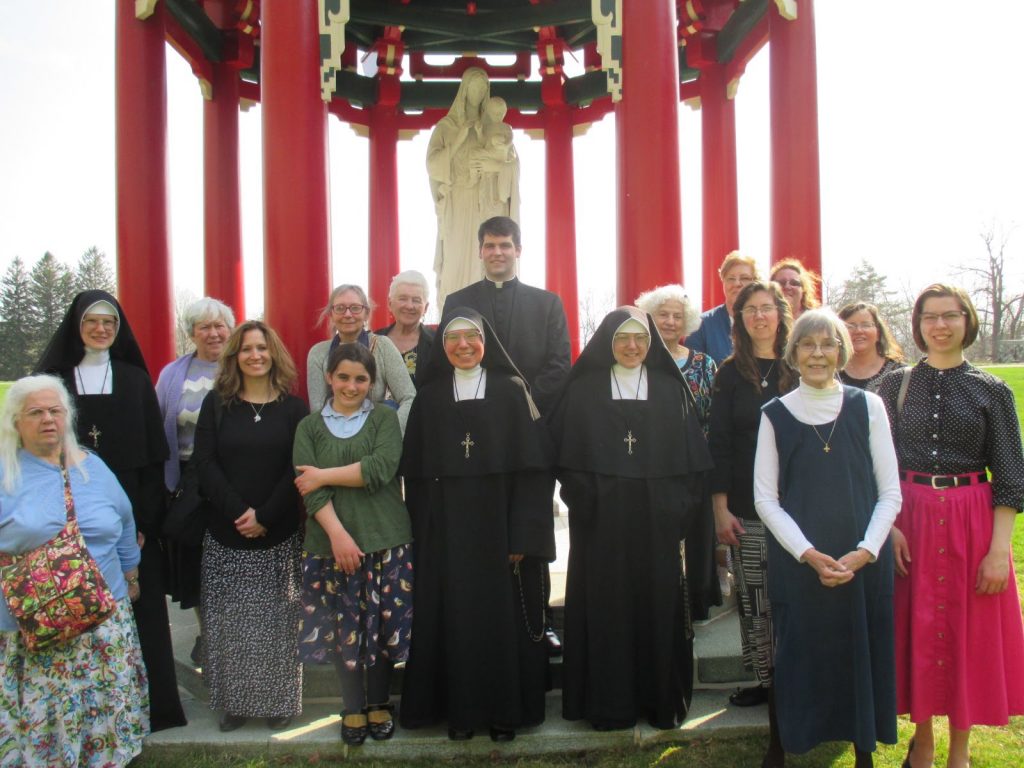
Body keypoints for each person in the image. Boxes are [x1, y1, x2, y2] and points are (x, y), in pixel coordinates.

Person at [874, 284, 1024, 768]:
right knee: (916, 626)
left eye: (949, 315)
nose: (939, 325)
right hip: (909, 520)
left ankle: (959, 752)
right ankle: (922, 745)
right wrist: (891, 526)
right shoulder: (893, 386)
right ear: (917, 325)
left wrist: (1000, 551)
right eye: (929, 317)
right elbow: (877, 465)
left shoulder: (991, 391)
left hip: (971, 521)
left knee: (964, 631)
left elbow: (1011, 476)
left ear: (966, 320)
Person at [550, 306, 712, 731]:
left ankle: (658, 702)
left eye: (640, 338)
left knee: (657, 608)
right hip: (600, 524)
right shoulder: (584, 389)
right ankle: (608, 705)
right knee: (605, 611)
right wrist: (588, 501)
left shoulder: (668, 388)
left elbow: (691, 464)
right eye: (622, 338)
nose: (632, 346)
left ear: (651, 342)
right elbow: (566, 458)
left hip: (656, 525)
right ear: (608, 341)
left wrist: (674, 509)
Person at [754, 309, 901, 768]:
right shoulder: (774, 414)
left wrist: (864, 552)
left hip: (861, 561)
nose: (818, 353)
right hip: (801, 562)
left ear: (842, 350)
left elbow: (890, 491)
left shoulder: (868, 406)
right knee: (798, 654)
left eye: (828, 344)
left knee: (859, 652)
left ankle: (862, 749)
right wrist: (809, 555)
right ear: (793, 353)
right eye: (807, 344)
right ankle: (786, 742)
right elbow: (765, 499)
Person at [399, 308, 554, 742]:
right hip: (446, 532)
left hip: (502, 531)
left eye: (472, 337)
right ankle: (459, 714)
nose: (463, 345)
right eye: (453, 338)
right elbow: (415, 476)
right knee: (453, 622)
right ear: (442, 345)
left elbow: (533, 470)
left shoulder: (511, 389)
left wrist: (524, 531)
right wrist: (424, 535)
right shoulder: (429, 397)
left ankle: (506, 713)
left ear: (487, 342)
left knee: (498, 623)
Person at [34, 289, 186, 731]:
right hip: (62, 518)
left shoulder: (135, 380)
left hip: (129, 518)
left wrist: (142, 524)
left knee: (141, 615)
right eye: (91, 322)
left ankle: (150, 709)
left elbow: (153, 458)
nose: (101, 329)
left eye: (110, 323)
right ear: (76, 326)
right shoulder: (52, 381)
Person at [0, 375, 148, 766]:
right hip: (34, 624)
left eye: (55, 410)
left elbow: (125, 521)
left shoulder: (92, 466)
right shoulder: (5, 471)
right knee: (48, 715)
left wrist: (131, 577)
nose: (48, 419)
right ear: (16, 421)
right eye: (36, 412)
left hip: (102, 616)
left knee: (103, 704)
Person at [444, 215, 571, 653]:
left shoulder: (547, 303)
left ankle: (539, 621)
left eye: (505, 245)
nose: (497, 252)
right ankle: (482, 615)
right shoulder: (458, 301)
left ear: (519, 250)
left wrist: (520, 407)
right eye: (490, 245)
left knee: (531, 525)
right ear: (480, 251)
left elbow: (559, 365)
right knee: (483, 524)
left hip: (534, 433)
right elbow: (451, 363)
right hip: (476, 438)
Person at [292, 343, 414, 746]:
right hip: (331, 544)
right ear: (329, 377)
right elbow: (308, 492)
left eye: (361, 379)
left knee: (378, 628)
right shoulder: (309, 427)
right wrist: (338, 535)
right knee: (343, 629)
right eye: (343, 377)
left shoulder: (383, 419)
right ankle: (351, 706)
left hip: (384, 539)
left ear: (372, 382)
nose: (351, 385)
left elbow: (380, 470)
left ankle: (379, 702)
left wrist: (323, 473)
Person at [193, 320, 308, 732]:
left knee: (278, 623)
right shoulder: (216, 405)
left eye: (262, 347)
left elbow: (297, 467)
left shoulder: (294, 409)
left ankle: (278, 702)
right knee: (230, 624)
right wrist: (241, 513)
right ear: (234, 357)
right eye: (246, 349)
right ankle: (235, 704)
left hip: (278, 534)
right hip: (226, 533)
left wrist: (266, 516)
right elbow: (204, 463)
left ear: (273, 353)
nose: (255, 355)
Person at [709, 280, 796, 711]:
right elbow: (719, 442)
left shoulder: (802, 366)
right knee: (755, 597)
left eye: (767, 308)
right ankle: (764, 680)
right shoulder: (729, 374)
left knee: (798, 594)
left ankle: (800, 675)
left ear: (781, 313)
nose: (759, 317)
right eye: (750, 310)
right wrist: (720, 508)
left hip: (799, 506)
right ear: (739, 320)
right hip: (746, 506)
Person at [155, 296, 236, 662]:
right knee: (197, 565)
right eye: (204, 326)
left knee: (233, 563)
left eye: (220, 325)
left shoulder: (243, 366)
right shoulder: (173, 374)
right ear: (191, 333)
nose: (213, 333)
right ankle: (209, 635)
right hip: (189, 480)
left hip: (235, 479)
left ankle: (237, 636)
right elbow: (160, 426)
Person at [635, 284, 720, 618]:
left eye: (677, 316)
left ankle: (696, 602)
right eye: (662, 315)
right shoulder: (638, 361)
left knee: (698, 536)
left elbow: (714, 415)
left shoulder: (703, 363)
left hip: (695, 463)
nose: (670, 322)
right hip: (649, 465)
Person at [428, 67, 520, 309]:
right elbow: (433, 165)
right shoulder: (447, 127)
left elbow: (511, 164)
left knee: (492, 252)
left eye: (483, 88)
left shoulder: (495, 127)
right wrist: (460, 137)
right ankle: (455, 310)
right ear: (464, 90)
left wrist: (495, 164)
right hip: (459, 200)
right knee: (457, 257)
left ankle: (492, 309)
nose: (478, 93)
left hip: (489, 202)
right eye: (474, 87)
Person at [307, 284, 416, 434]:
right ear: (331, 314)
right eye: (340, 308)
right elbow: (317, 411)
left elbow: (409, 397)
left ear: (366, 313)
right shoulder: (318, 353)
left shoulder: (382, 346)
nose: (347, 314)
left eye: (355, 308)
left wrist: (389, 437)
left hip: (377, 433)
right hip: (335, 435)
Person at [685, 251, 760, 365]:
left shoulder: (765, 321)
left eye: (744, 278)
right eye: (731, 278)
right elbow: (693, 373)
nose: (737, 283)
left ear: (755, 282)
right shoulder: (701, 325)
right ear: (723, 281)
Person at [373, 270, 435, 389]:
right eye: (403, 298)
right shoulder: (374, 341)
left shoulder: (437, 343)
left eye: (416, 300)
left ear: (426, 307)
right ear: (390, 304)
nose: (409, 306)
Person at [837, 302, 906, 389]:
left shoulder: (902, 374)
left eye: (866, 325)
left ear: (878, 332)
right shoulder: (831, 373)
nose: (858, 331)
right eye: (850, 326)